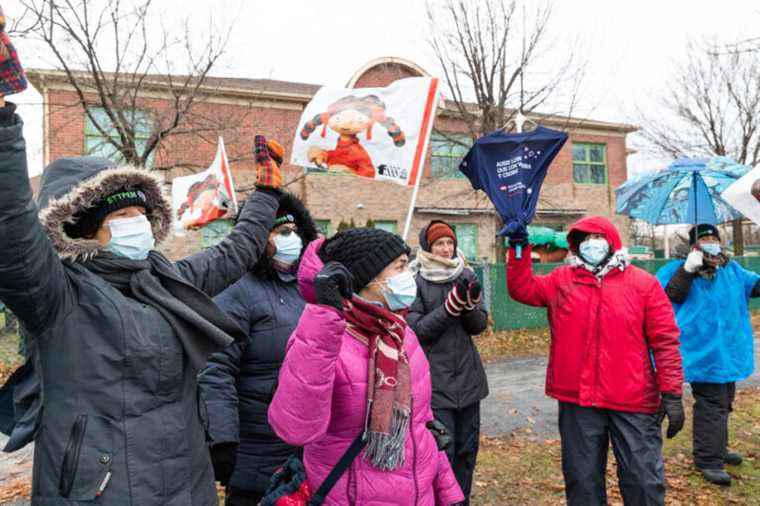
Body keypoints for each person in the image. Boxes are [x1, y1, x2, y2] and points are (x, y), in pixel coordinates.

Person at [0, 89, 284, 504]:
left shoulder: (168, 280)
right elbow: (12, 233)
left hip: (186, 479)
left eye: (141, 214)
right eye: (121, 216)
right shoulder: (56, 293)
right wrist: (4, 124)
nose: (139, 224)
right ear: (82, 231)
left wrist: (266, 195)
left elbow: (235, 251)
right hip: (99, 489)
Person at [268, 228, 464, 505]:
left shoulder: (400, 333)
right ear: (368, 279)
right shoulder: (322, 338)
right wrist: (325, 314)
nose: (408, 276)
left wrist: (448, 492)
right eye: (399, 267)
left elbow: (420, 426)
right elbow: (295, 429)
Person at [506, 216, 684, 506]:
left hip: (633, 400)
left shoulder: (643, 285)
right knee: (582, 483)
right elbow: (522, 289)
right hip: (579, 400)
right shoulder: (562, 281)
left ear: (612, 242)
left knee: (643, 483)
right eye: (584, 240)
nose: (591, 245)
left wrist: (672, 392)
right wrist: (518, 248)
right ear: (575, 246)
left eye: (597, 238)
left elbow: (665, 341)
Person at [199, 191, 319, 505]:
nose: (291, 240)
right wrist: (223, 438)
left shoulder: (307, 290)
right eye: (281, 233)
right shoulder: (237, 290)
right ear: (257, 239)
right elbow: (215, 369)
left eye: (294, 233)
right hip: (255, 451)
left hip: (304, 450)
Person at [657, 224, 760, 486]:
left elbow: (755, 286)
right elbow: (669, 296)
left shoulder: (731, 268)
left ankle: (719, 449)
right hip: (701, 350)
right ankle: (707, 459)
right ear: (694, 244)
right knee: (711, 404)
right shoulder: (678, 269)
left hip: (729, 349)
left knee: (724, 401)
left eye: (714, 238)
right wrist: (688, 271)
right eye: (704, 238)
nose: (711, 242)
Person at [408, 220, 488, 505]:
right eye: (439, 244)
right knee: (443, 453)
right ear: (429, 247)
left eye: (449, 243)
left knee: (467, 451)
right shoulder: (414, 280)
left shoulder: (464, 273)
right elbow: (417, 331)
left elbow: (478, 326)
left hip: (469, 382)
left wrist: (469, 307)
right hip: (434, 385)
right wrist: (450, 308)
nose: (445, 248)